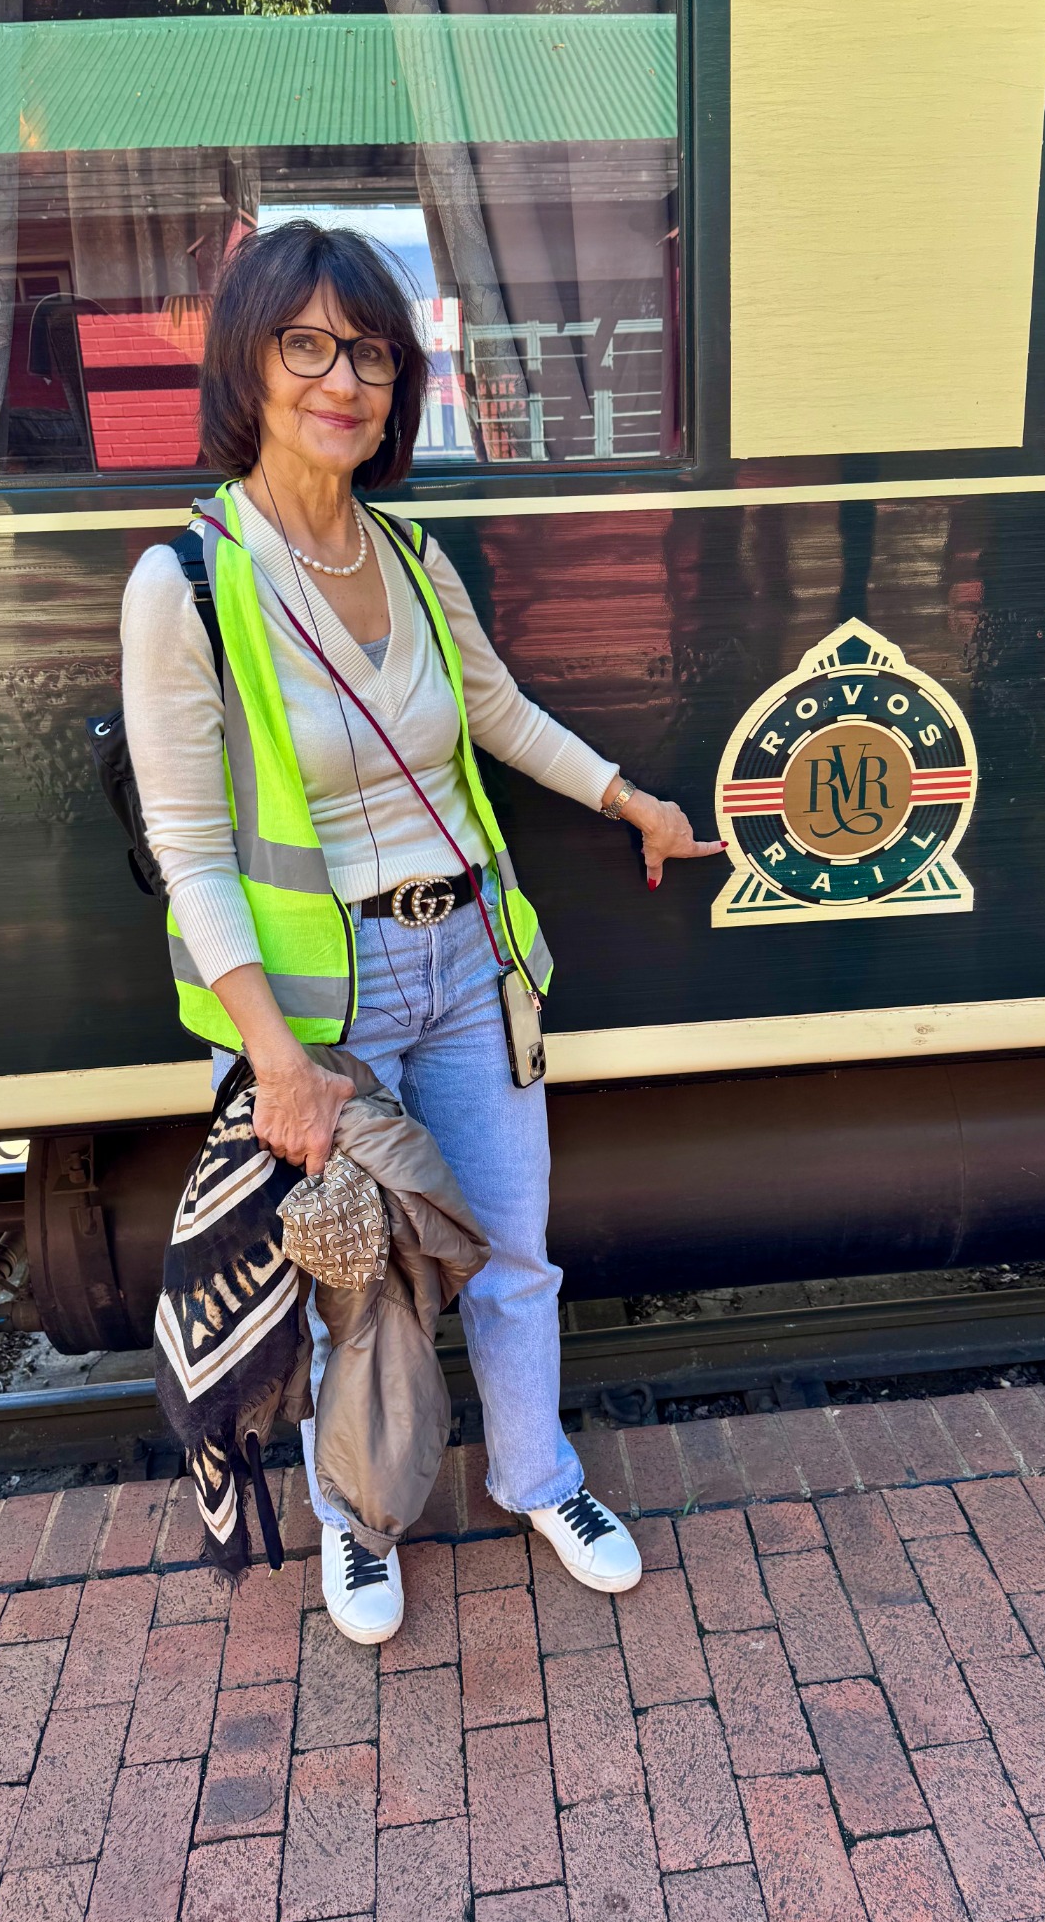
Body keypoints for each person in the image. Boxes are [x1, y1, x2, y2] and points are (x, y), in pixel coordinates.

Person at [121, 220, 721, 1643]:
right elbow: (191, 852)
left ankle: (538, 1478)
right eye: (308, 346)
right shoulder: (187, 585)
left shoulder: (411, 554)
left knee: (514, 1253)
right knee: (356, 1283)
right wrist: (275, 1060)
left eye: (373, 354)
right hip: (326, 1009)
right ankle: (358, 1517)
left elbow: (495, 712)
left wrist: (627, 797)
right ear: (248, 367)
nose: (345, 381)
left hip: (471, 966)